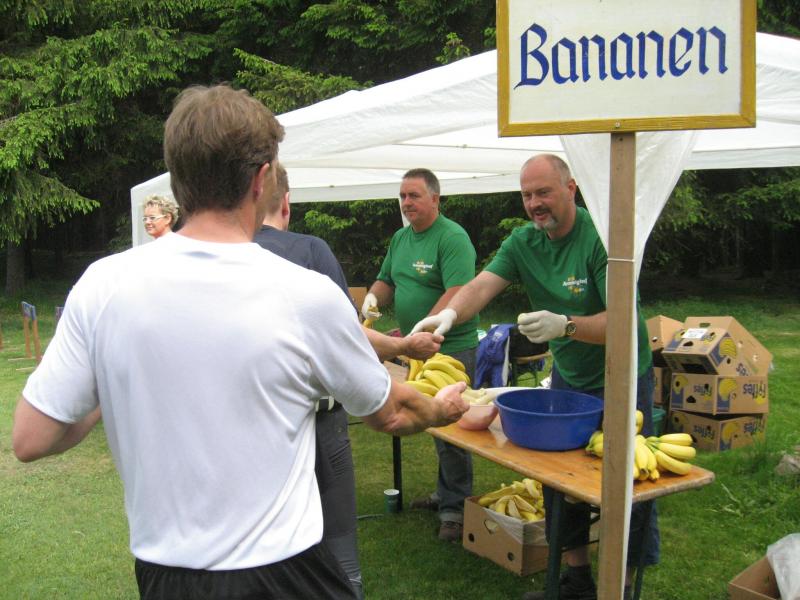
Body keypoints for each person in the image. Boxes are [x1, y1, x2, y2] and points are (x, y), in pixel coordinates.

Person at [12, 84, 468, 600]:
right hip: (285, 575)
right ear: (261, 179)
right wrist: (442, 409)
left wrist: (110, 383)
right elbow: (391, 413)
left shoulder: (102, 285)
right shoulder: (305, 293)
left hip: (165, 579)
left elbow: (32, 437)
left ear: (177, 178)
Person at [412, 154, 658, 600]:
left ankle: (622, 587)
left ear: (571, 189)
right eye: (527, 195)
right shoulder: (524, 241)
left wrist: (566, 326)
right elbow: (481, 286)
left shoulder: (603, 238)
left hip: (622, 375)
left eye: (543, 192)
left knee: (629, 482)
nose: (534, 203)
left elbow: (624, 321)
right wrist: (449, 314)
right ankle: (576, 579)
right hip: (569, 376)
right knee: (560, 477)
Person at [253, 164, 443, 599]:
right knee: (338, 542)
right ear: (286, 202)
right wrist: (402, 348)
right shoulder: (310, 250)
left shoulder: (222, 258)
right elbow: (349, 340)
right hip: (320, 424)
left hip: (256, 425)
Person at [362, 168, 479, 543]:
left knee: (452, 428)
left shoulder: (452, 237)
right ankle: (445, 494)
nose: (406, 202)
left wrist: (425, 329)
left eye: (414, 195)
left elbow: (459, 291)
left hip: (451, 347)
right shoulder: (401, 238)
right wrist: (373, 297)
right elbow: (387, 279)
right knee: (430, 420)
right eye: (402, 196)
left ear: (435, 199)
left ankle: (456, 509)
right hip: (415, 349)